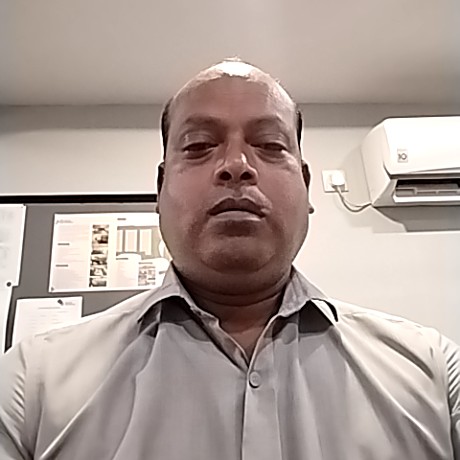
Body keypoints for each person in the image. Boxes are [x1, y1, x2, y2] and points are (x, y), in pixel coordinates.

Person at [0, 59, 459, 460]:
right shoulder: (31, 382)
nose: (237, 164)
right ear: (160, 189)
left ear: (305, 186)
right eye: (199, 145)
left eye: (271, 145)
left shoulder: (433, 372)